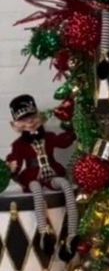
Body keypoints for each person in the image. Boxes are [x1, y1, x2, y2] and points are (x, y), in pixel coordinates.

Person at [5, 94, 78, 259]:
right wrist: (11, 166)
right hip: (32, 177)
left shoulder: (49, 137)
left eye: (32, 117)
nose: (30, 122)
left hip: (52, 173)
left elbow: (63, 141)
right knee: (37, 190)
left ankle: (72, 234)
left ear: (39, 116)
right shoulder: (19, 145)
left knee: (66, 186)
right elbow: (14, 159)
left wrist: (73, 130)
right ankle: (44, 232)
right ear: (15, 125)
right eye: (24, 119)